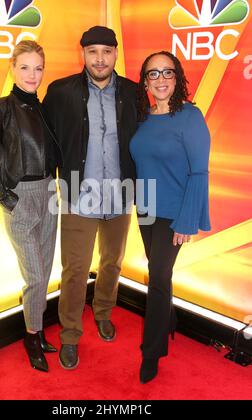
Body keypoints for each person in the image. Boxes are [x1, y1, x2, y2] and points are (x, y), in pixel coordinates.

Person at [43, 26, 138, 369]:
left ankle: (103, 312)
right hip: (77, 197)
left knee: (112, 262)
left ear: (115, 54)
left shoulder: (132, 91)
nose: (100, 58)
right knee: (75, 270)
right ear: (82, 53)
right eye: (93, 51)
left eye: (106, 51)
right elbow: (47, 141)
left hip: (120, 195)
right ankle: (69, 334)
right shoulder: (60, 92)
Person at [0, 40, 62, 373]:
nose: (33, 75)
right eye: (25, 67)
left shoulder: (44, 108)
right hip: (21, 197)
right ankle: (30, 336)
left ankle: (37, 332)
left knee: (44, 273)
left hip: (51, 193)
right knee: (36, 275)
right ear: (12, 68)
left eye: (38, 68)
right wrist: (9, 200)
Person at [129, 51, 211, 383]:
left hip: (174, 212)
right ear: (145, 80)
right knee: (160, 274)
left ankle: (152, 352)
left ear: (177, 78)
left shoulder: (190, 116)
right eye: (153, 73)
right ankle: (170, 320)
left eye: (167, 72)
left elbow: (199, 171)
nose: (160, 79)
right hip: (146, 207)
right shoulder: (143, 116)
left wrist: (188, 219)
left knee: (158, 277)